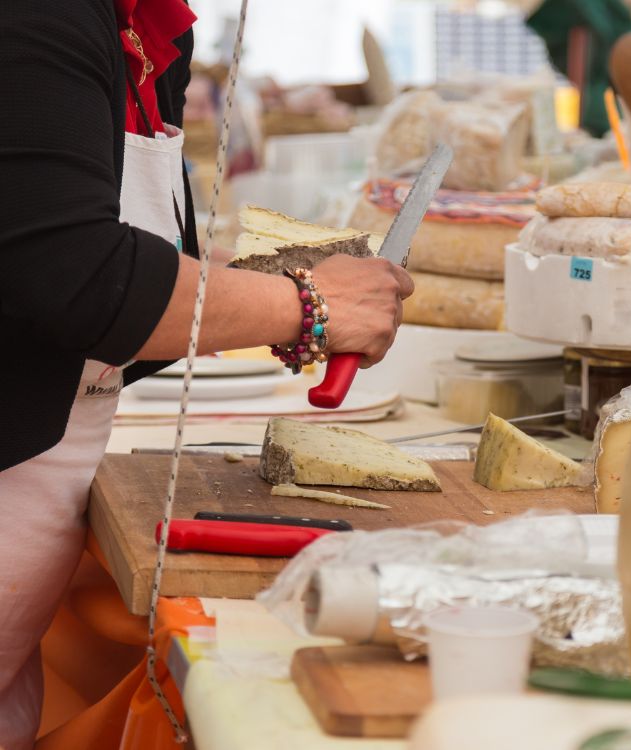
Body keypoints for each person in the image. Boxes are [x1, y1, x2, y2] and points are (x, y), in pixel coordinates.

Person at [0, 2, 414, 747]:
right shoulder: (39, 15)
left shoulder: (154, 27)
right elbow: (77, 276)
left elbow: (136, 257)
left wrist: (269, 294)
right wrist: (307, 305)